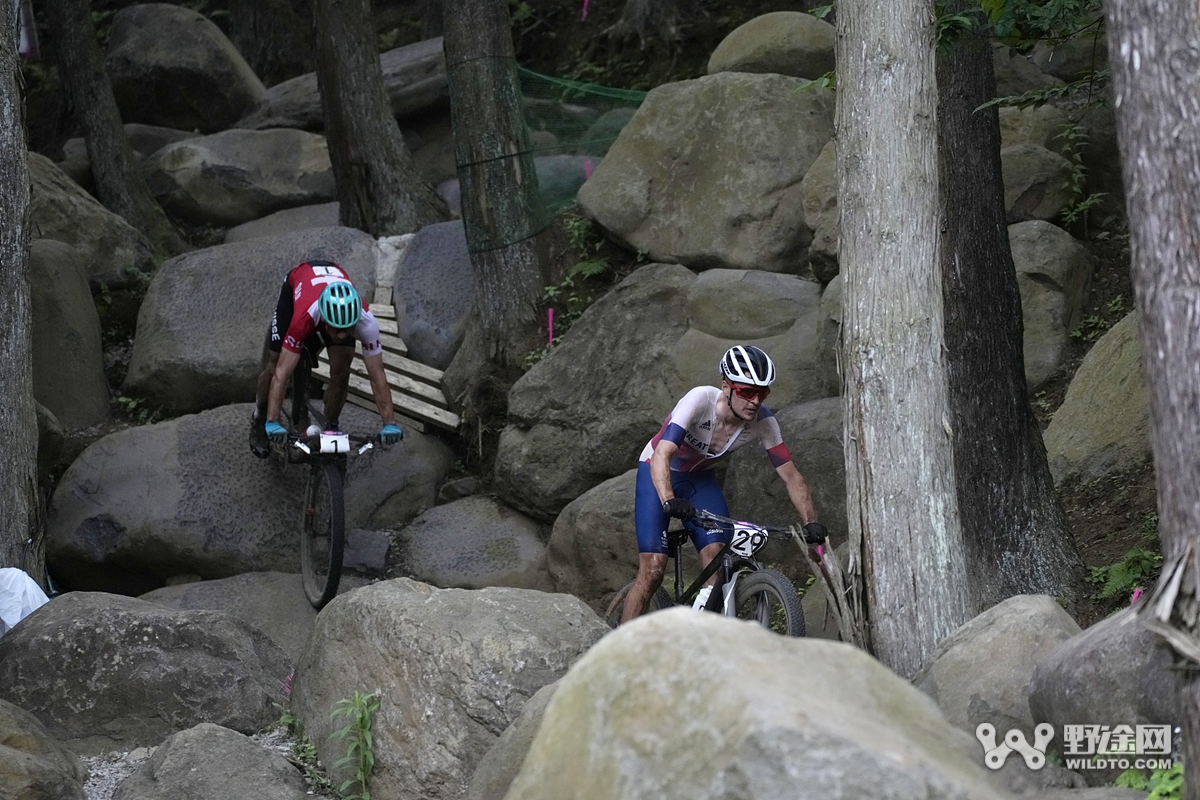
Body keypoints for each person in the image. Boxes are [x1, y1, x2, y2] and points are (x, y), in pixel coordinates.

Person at [621, 345, 828, 624]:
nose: (755, 401)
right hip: (657, 471)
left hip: (699, 481)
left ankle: (697, 632)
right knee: (654, 569)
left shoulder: (763, 422)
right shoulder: (700, 400)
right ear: (726, 387)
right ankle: (621, 643)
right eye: (746, 392)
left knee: (717, 558)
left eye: (762, 393)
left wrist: (810, 522)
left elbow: (791, 475)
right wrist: (668, 498)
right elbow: (663, 453)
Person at [249, 260, 402, 457]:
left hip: (331, 292)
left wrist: (389, 423)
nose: (339, 335)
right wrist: (272, 420)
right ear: (324, 318)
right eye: (335, 329)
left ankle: (331, 424)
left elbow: (377, 375)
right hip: (300, 284)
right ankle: (259, 416)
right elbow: (282, 374)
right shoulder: (304, 318)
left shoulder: (366, 322)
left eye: (345, 329)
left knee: (341, 371)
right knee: (275, 364)